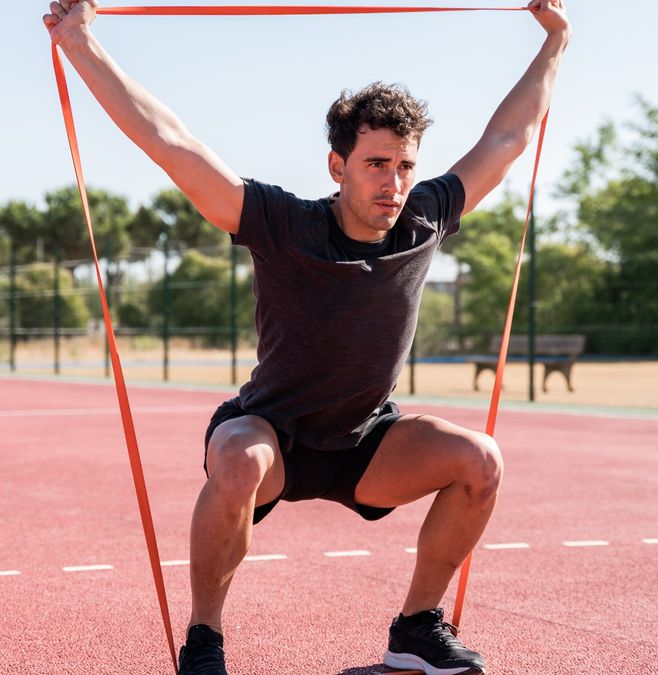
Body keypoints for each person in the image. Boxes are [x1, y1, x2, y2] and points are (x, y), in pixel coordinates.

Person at [43, 1, 570, 673]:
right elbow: (169, 141)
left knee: (481, 460)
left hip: (366, 444)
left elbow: (508, 138)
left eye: (405, 165)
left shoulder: (424, 219)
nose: (395, 182)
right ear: (337, 165)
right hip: (274, 435)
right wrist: (80, 41)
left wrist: (556, 39)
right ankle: (205, 639)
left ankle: (414, 630)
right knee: (235, 457)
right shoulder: (282, 224)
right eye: (377, 163)